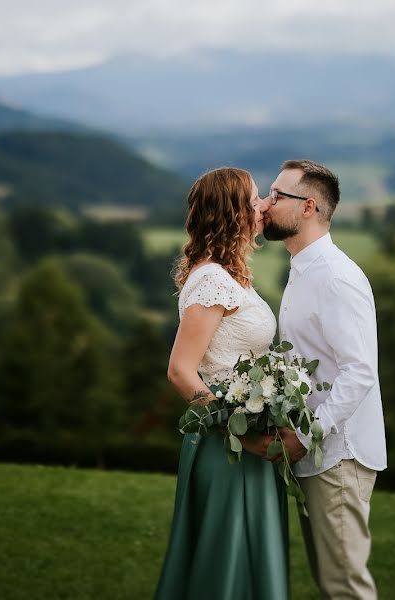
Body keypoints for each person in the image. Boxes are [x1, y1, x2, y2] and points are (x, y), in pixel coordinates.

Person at [154, 167, 289, 600]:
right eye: (254, 201)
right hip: (225, 445)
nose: (263, 207)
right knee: (225, 562)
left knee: (248, 557)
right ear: (233, 216)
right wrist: (233, 428)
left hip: (245, 439)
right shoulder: (212, 280)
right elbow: (181, 370)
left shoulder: (228, 275)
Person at [261, 159, 387, 599]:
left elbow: (360, 371)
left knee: (346, 587)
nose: (266, 203)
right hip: (316, 453)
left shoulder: (336, 277)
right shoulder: (303, 269)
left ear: (308, 207)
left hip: (338, 454)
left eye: (277, 196)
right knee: (330, 582)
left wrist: (305, 434)